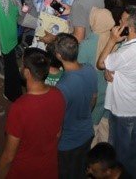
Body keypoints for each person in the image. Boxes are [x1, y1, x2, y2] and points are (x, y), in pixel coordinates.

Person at [98, 5, 136, 179]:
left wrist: (112, 40)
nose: (119, 21)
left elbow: (101, 63)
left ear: (129, 28)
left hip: (124, 110)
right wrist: (112, 70)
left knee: (119, 155)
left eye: (122, 20)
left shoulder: (127, 53)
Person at [0, 47, 66, 179]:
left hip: (25, 170)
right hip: (49, 168)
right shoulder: (58, 94)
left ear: (27, 72)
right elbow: (58, 133)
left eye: (22, 64)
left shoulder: (20, 107)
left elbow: (9, 156)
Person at [54, 34, 98, 179]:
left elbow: (58, 124)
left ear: (59, 55)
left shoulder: (62, 87)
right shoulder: (90, 69)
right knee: (80, 171)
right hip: (87, 133)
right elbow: (93, 98)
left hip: (68, 143)